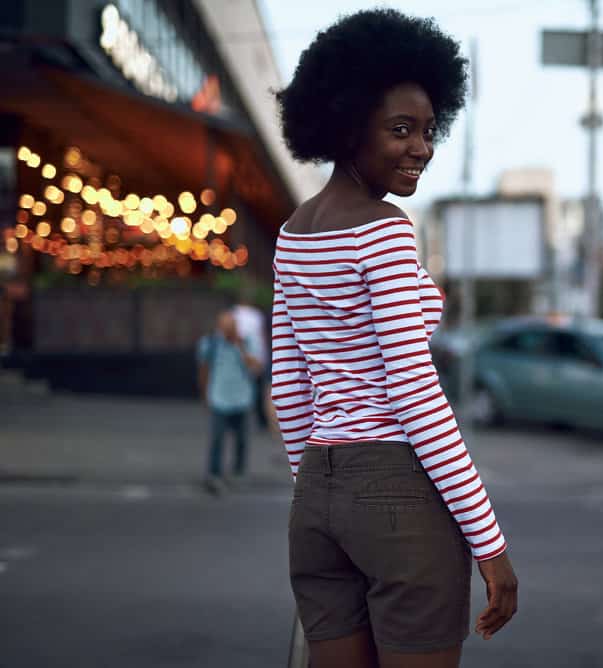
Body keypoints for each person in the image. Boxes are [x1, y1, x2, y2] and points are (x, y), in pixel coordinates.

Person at [272, 9, 516, 667]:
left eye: (429, 130)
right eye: (400, 129)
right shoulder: (384, 229)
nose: (422, 147)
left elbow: (290, 384)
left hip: (318, 495)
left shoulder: (292, 235)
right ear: (347, 124)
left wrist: (319, 492)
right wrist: (488, 542)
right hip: (397, 487)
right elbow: (415, 393)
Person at [197, 309, 262, 495]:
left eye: (230, 326)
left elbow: (256, 367)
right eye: (223, 326)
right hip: (219, 397)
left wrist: (239, 345)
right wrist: (204, 395)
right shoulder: (210, 343)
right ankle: (214, 473)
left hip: (242, 397)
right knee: (217, 438)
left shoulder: (247, 341)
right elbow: (203, 369)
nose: (226, 330)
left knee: (242, 439)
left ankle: (238, 471)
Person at [232, 288, 269, 429]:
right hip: (256, 354)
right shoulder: (256, 314)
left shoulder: (234, 314)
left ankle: (239, 420)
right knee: (258, 389)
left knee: (241, 388)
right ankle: (261, 420)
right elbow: (262, 336)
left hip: (242, 356)